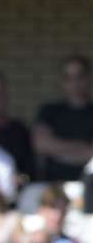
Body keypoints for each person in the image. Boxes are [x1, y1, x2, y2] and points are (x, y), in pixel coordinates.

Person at [31, 53, 93, 183]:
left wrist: (56, 149)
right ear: (62, 81)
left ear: (88, 78)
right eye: (68, 77)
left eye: (79, 76)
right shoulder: (49, 110)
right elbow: (41, 144)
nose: (74, 82)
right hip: (53, 186)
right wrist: (84, 150)